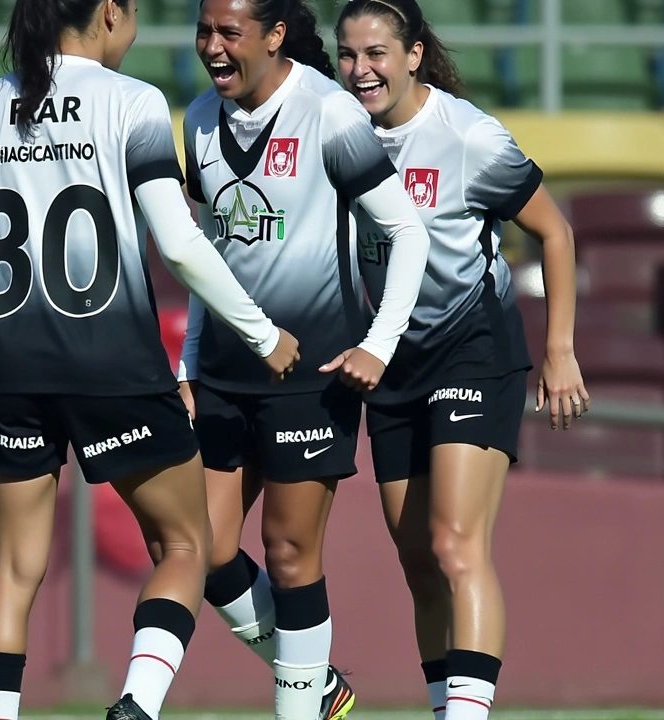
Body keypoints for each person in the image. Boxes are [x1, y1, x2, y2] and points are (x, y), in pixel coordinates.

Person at [0, 1, 311, 719]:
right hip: (113, 364)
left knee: (13, 570)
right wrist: (260, 332)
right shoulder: (132, 102)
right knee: (185, 543)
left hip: (10, 368)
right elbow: (177, 241)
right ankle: (137, 704)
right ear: (110, 12)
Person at [176, 1, 431, 719]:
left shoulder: (329, 112)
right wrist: (188, 365)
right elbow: (206, 260)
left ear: (276, 35)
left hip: (310, 375)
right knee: (200, 548)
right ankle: (317, 687)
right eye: (205, 32)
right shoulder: (196, 120)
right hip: (226, 372)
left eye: (231, 33)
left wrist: (379, 344)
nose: (214, 48)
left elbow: (407, 233)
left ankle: (301, 705)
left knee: (289, 555)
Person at [333, 2, 588, 720]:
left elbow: (555, 232)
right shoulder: (338, 133)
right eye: (349, 55)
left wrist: (559, 351)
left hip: (471, 349)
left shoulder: (467, 137)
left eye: (378, 53)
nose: (361, 71)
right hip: (390, 361)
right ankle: (447, 706)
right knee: (420, 564)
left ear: (414, 54)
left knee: (454, 542)